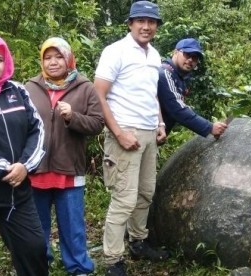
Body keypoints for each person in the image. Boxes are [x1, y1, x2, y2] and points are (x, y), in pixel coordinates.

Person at [93, 1, 167, 275]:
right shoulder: (115, 51)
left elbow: (154, 93)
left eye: (152, 22)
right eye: (141, 21)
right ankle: (113, 259)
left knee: (145, 192)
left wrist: (160, 122)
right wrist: (119, 133)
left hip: (149, 132)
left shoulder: (155, 55)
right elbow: (98, 94)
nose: (146, 26)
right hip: (125, 131)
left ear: (157, 26)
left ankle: (138, 241)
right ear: (130, 23)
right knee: (124, 198)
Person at [0, 33, 48, 276]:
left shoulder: (17, 90)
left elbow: (38, 129)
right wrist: (6, 168)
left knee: (34, 250)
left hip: (17, 195)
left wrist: (24, 165)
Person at [25, 37, 104, 276]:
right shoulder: (29, 87)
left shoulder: (85, 87)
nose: (53, 62)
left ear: (69, 59)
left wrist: (73, 117)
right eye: (48, 57)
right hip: (36, 169)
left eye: (59, 56)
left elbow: (97, 123)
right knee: (37, 227)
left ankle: (79, 268)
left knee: (73, 226)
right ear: (41, 60)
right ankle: (41, 265)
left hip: (69, 169)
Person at [158, 38, 227, 139]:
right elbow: (177, 110)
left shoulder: (177, 77)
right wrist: (209, 127)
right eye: (187, 54)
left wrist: (210, 125)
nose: (190, 60)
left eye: (195, 58)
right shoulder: (164, 73)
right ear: (175, 52)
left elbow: (182, 107)